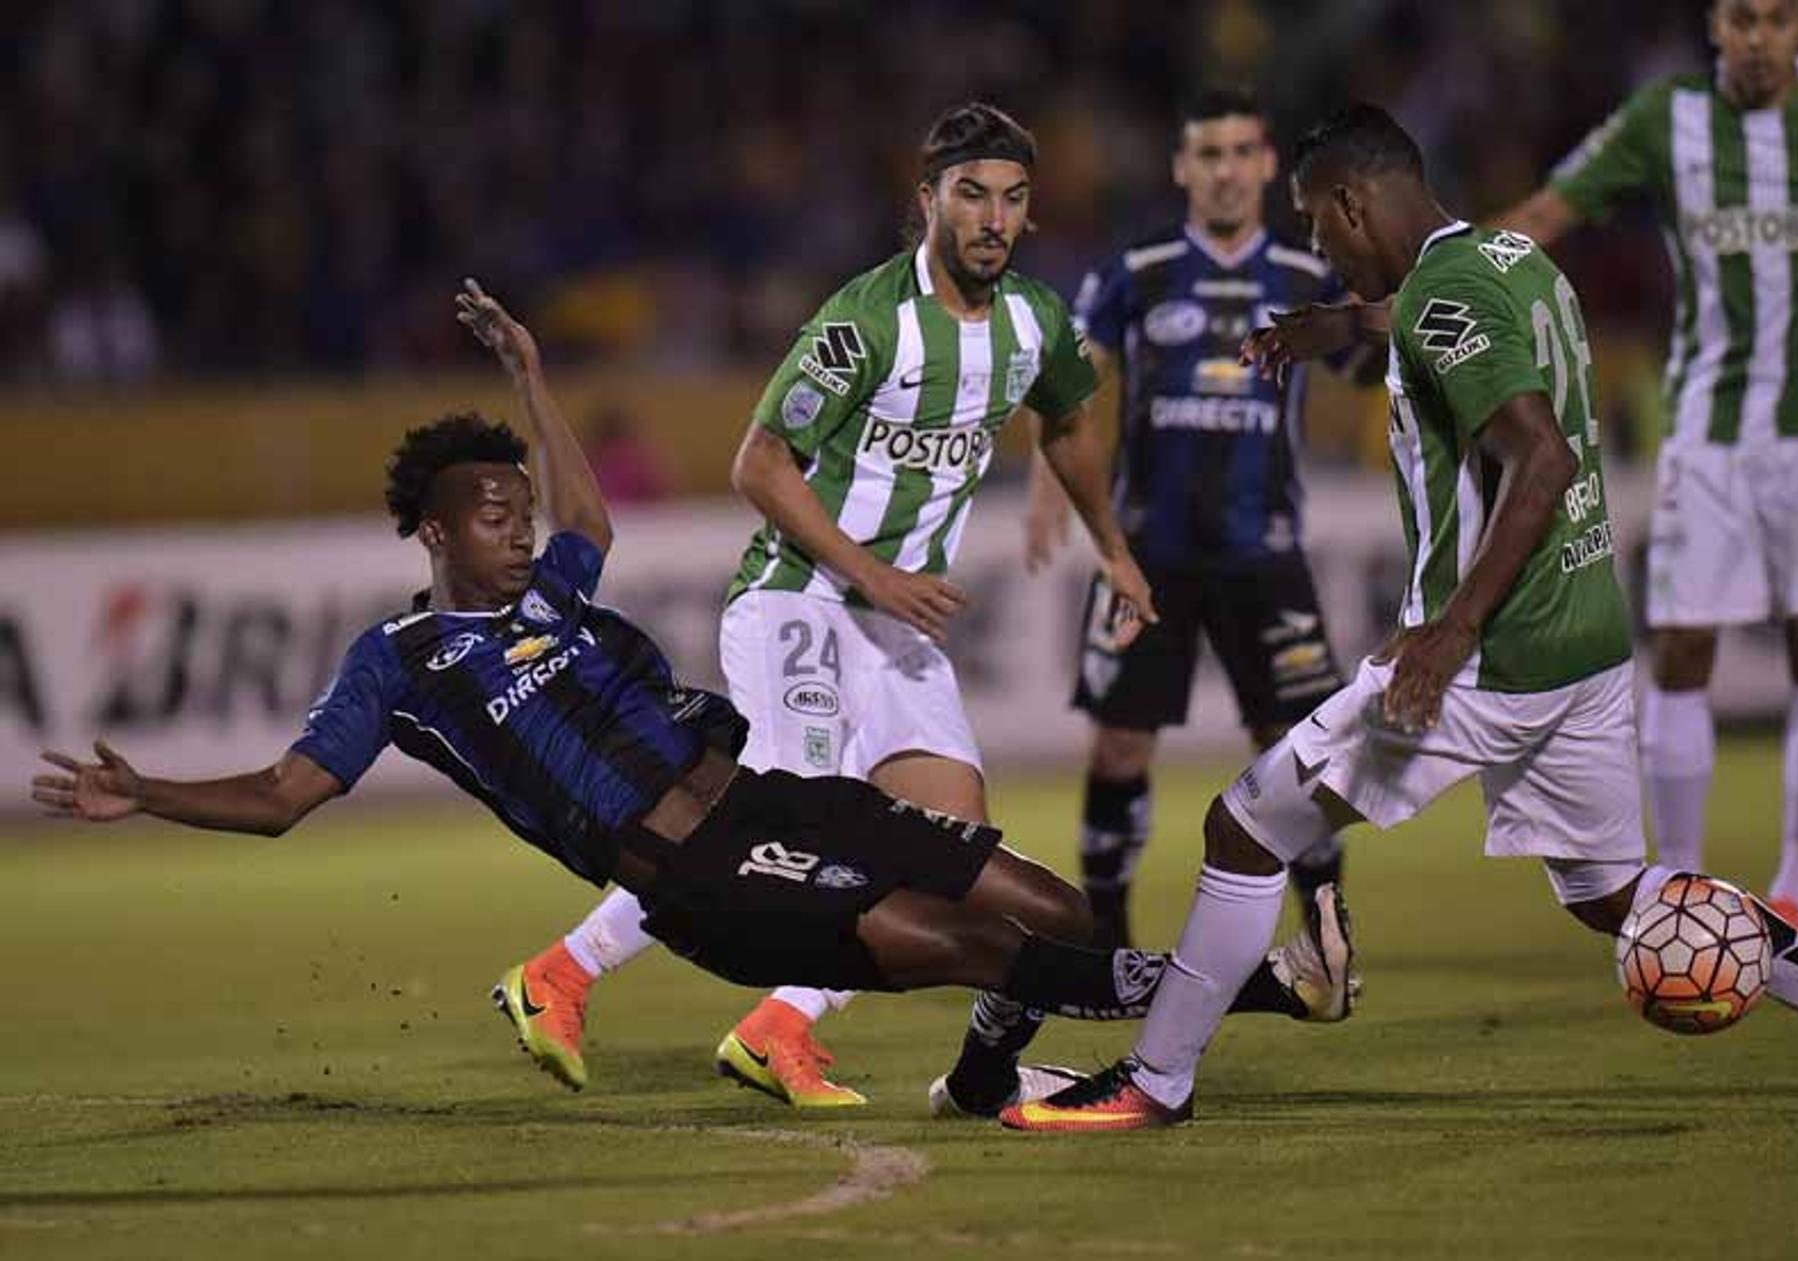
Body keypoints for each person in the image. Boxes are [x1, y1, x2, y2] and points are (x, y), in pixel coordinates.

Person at [28, 280, 1349, 1105]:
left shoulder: (555, 590)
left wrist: (532, 380)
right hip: (706, 871)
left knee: (1037, 899)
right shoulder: (403, 664)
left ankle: (997, 1072)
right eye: (490, 514)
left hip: (781, 796)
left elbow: (586, 508)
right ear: (432, 535)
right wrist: (145, 788)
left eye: (518, 505)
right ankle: (1261, 989)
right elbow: (280, 796)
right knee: (970, 945)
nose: (518, 524)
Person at [1000, 105, 1798, 1131]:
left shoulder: (1446, 290)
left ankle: (1154, 1081)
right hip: (1585, 639)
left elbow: (1541, 457)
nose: (1318, 245)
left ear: (1354, 202)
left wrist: (1452, 630)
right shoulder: (1510, 258)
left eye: (1317, 224)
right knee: (1611, 890)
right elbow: (1440, 321)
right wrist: (1338, 327)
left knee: (1246, 826)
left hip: (1489, 658)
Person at [490, 103, 1161, 1110]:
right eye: (972, 194)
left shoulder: (1035, 323)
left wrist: (1114, 550)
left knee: (948, 844)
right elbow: (758, 465)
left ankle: (779, 1024)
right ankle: (562, 971)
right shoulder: (867, 319)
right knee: (773, 840)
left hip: (899, 629)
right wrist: (875, 572)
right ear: (927, 198)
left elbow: (1068, 422)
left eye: (1013, 198)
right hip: (799, 599)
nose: (994, 217)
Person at [1492, 0, 1798, 930]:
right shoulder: (1664, 119)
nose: (1757, 37)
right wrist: (1448, 283)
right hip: (1709, 422)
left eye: (1774, 18)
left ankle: (1796, 883)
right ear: (1714, 27)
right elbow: (1545, 212)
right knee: (1684, 648)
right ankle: (1680, 889)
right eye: (1739, 18)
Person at [1025, 84, 1353, 949]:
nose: (1226, 170)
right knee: (1121, 747)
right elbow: (1073, 380)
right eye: (1209, 154)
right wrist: (1043, 485)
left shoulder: (1308, 278)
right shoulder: (1138, 271)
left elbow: (1378, 373)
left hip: (1265, 549)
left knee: (1294, 747)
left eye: (1242, 152)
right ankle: (1105, 944)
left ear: (1269, 165)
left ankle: (1324, 928)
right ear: (1182, 167)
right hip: (1150, 554)